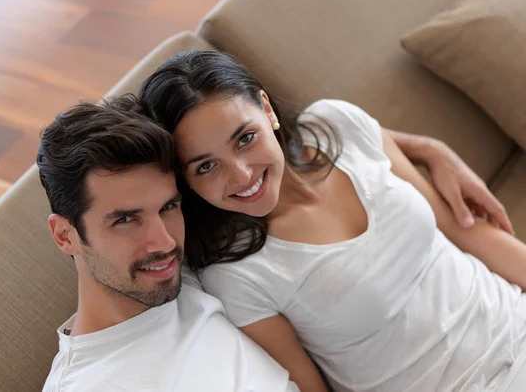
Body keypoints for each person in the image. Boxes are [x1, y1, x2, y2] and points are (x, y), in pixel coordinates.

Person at [139, 49, 526, 392]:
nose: (241, 175)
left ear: (267, 109)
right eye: (206, 166)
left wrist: (430, 149)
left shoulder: (338, 125)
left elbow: (463, 230)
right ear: (185, 181)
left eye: (244, 138)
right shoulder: (237, 274)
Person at [37, 94, 300, 391]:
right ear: (64, 235)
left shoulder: (190, 276)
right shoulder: (88, 383)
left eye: (168, 207)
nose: (164, 243)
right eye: (124, 220)